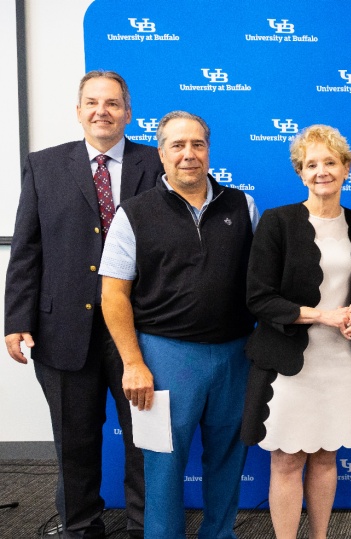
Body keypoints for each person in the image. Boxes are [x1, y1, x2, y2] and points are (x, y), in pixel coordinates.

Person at [4, 70, 161, 538]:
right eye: (92, 102)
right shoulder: (44, 165)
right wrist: (16, 319)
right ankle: (80, 527)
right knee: (73, 442)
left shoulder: (158, 164)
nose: (101, 111)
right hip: (61, 330)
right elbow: (27, 250)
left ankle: (145, 527)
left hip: (139, 332)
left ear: (128, 113)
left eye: (112, 103)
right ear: (78, 112)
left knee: (144, 441)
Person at [99, 111, 259, 538]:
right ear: (161, 153)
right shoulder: (132, 214)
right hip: (164, 356)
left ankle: (219, 534)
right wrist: (133, 363)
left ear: (209, 150)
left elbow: (261, 281)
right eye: (178, 145)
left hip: (235, 355)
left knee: (228, 457)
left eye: (198, 145)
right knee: (163, 463)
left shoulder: (242, 205)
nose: (189, 154)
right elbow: (113, 295)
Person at [239, 125, 351, 539]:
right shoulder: (278, 222)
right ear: (300, 172)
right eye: (311, 164)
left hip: (340, 363)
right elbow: (259, 298)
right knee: (286, 460)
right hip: (288, 365)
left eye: (330, 162)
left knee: (325, 458)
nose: (321, 172)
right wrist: (321, 315)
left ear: (346, 168)